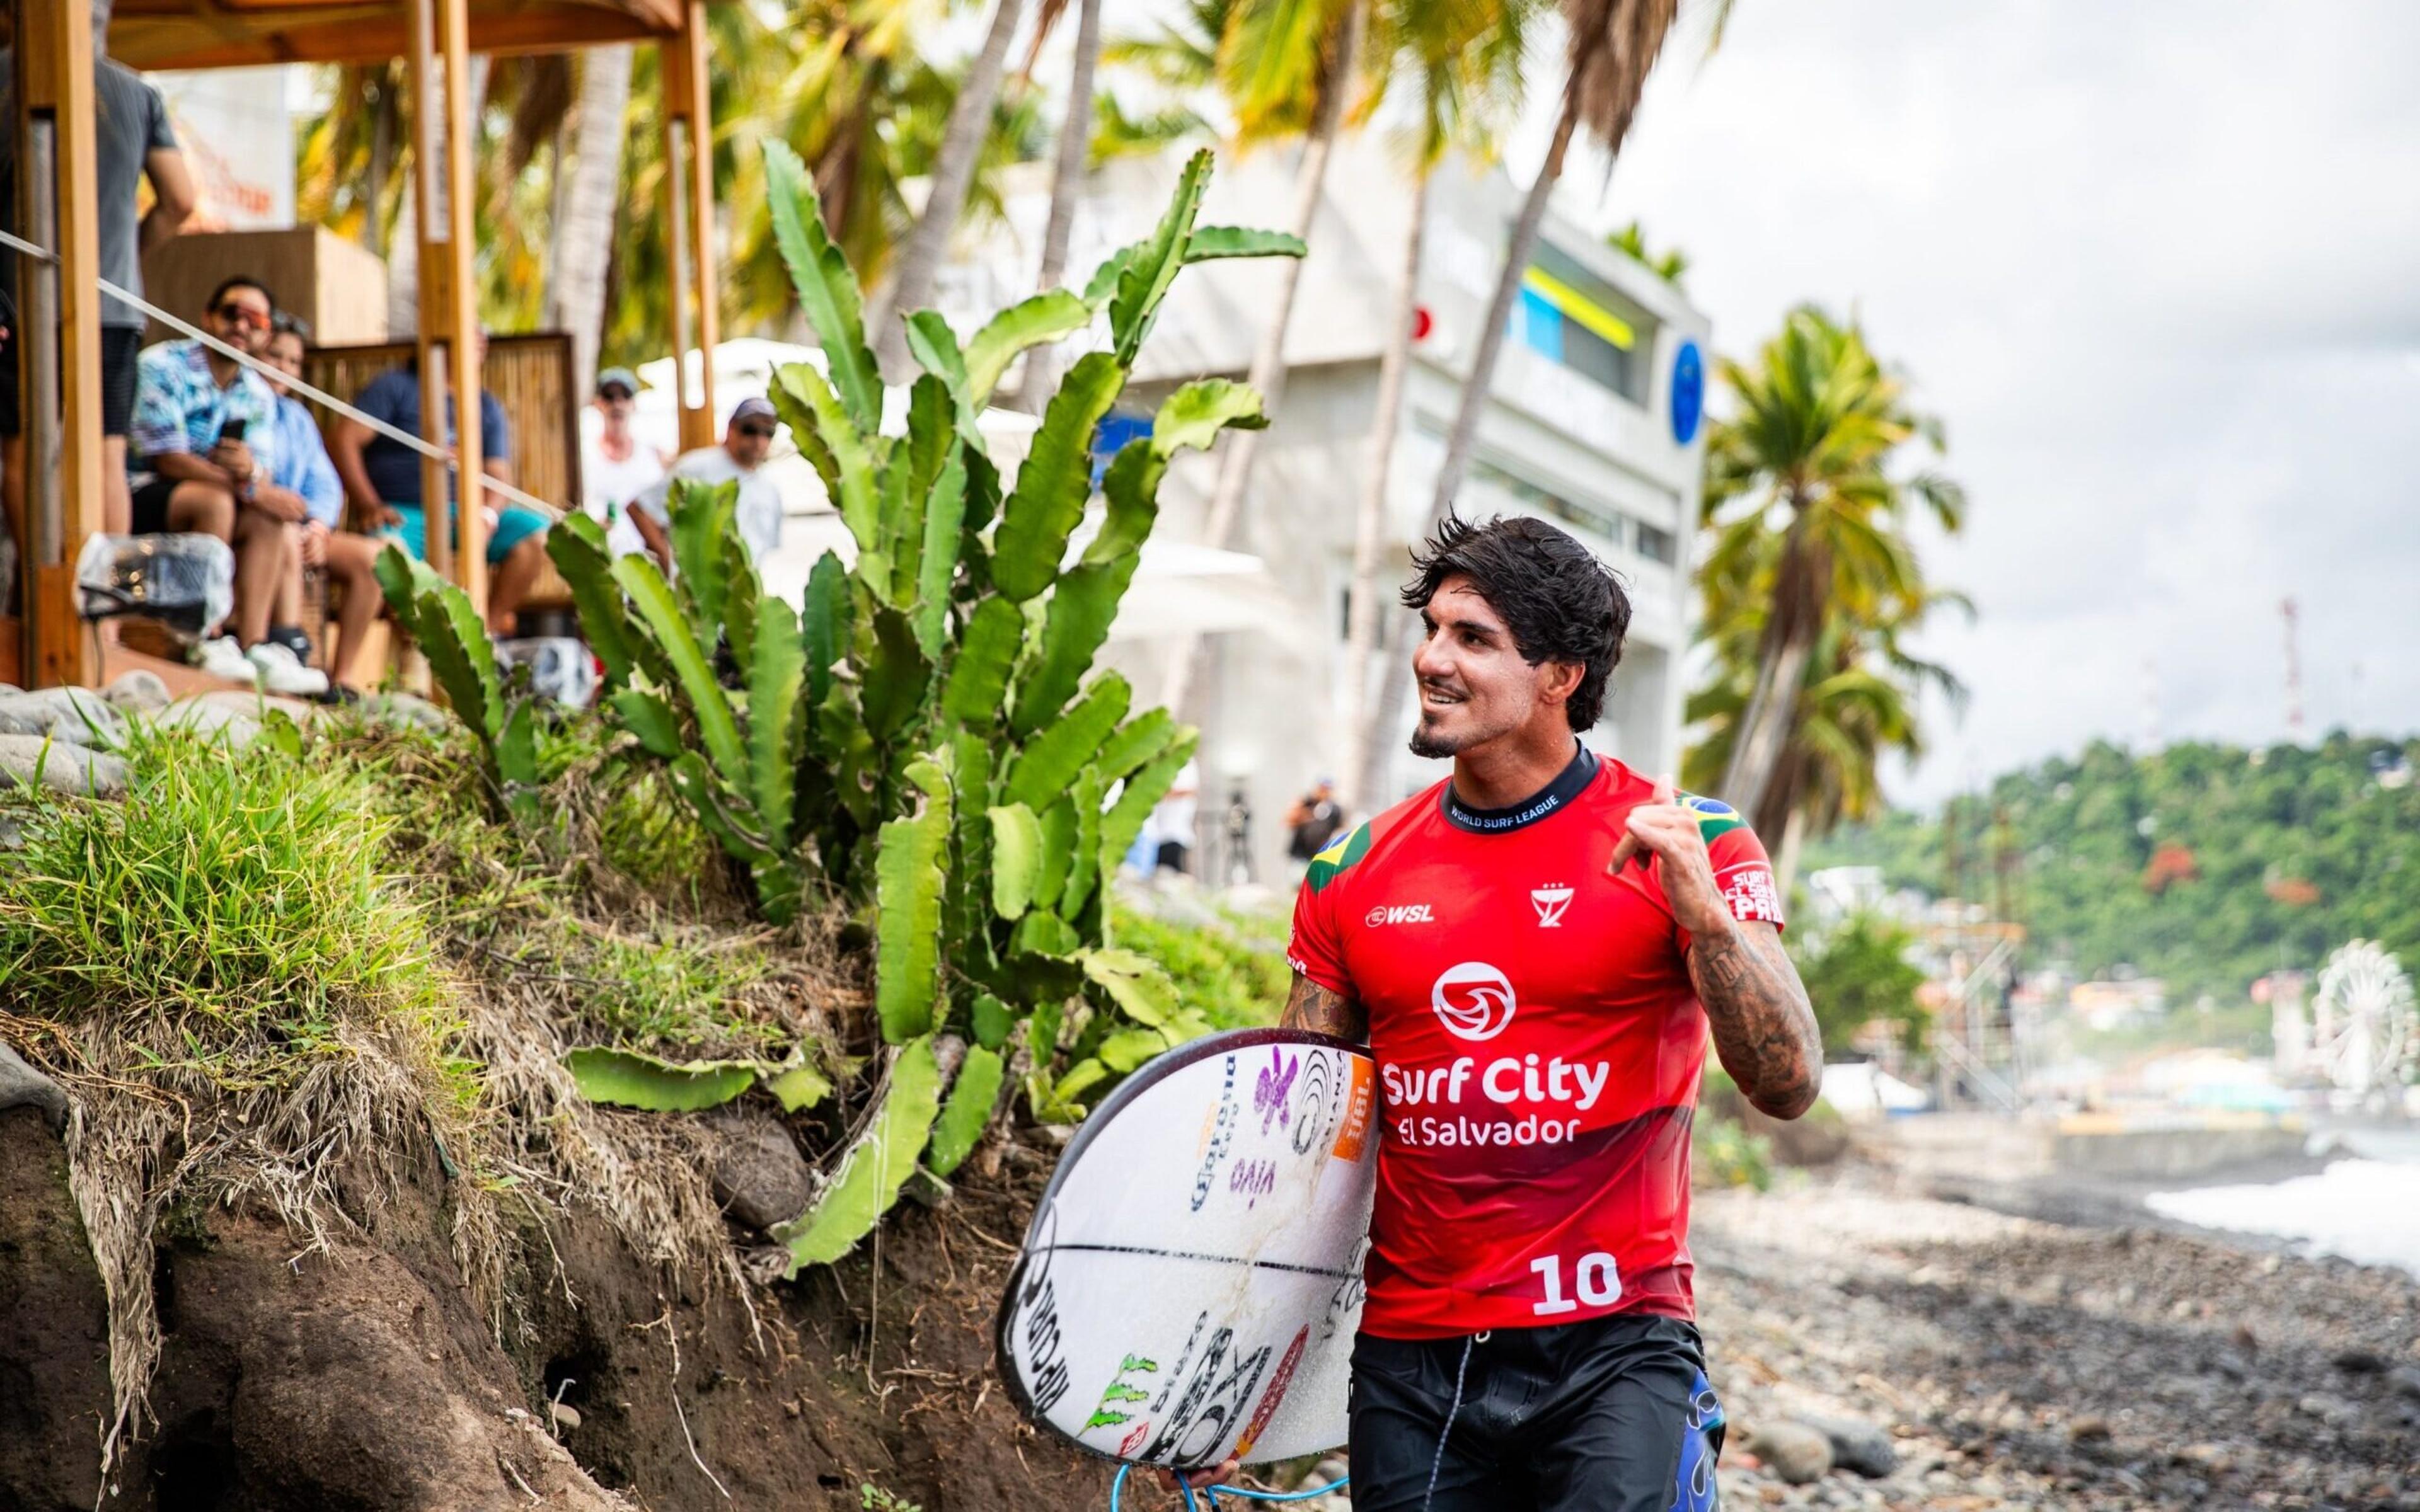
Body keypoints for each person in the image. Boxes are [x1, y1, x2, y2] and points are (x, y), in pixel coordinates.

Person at [1183, 514, 1822, 1511]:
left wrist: (1708, 923)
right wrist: (1233, 1387)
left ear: (1560, 675)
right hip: (1414, 1361)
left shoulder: (1691, 841)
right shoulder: (1353, 873)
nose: (1433, 659)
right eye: (1432, 629)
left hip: (1617, 1344)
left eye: (1473, 638)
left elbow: (1789, 1084)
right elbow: (1300, 1153)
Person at [0, 0, 195, 548]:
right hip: (112, 301)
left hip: (16, 302)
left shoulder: (6, 74)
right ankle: (101, 620)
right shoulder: (138, 93)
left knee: (22, 453)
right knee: (109, 450)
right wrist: (126, 254)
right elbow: (181, 200)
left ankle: (43, 601)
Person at [125, 275, 325, 693]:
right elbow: (166, 457)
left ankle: (253, 646)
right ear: (208, 317)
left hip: (221, 497)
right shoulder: (163, 364)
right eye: (231, 313)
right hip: (143, 491)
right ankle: (208, 636)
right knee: (218, 501)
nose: (242, 325)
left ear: (265, 331)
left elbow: (262, 471)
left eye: (255, 320)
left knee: (267, 515)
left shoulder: (256, 392)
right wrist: (248, 484)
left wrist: (253, 477)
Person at [328, 331, 547, 634]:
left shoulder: (485, 405)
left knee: (536, 535)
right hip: (403, 515)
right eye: (472, 335)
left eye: (482, 337)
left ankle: (487, 633)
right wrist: (369, 504)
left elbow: (497, 476)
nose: (480, 341)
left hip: (463, 515)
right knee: (390, 555)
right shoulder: (396, 386)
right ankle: (418, 635)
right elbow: (344, 439)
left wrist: (486, 516)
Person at [262, 316, 382, 697]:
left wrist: (318, 526)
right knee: (280, 536)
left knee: (374, 559)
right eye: (275, 356)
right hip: (261, 525)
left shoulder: (297, 417)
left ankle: (341, 677)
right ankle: (287, 653)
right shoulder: (244, 403)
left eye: (294, 362)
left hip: (302, 529)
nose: (285, 368)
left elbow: (325, 484)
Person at [628, 396, 781, 571]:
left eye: (768, 432)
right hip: (696, 587)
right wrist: (666, 557)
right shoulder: (697, 467)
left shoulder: (770, 490)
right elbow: (640, 507)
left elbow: (766, 550)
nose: (759, 440)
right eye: (750, 430)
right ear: (731, 428)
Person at [581, 365, 666, 554]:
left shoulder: (653, 455)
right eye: (609, 396)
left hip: (648, 561)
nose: (617, 404)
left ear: (633, 403)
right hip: (598, 556)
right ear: (597, 403)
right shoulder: (584, 456)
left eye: (625, 396)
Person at [1284, 777, 1344, 869]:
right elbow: (1289, 820)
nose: (1324, 792)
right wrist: (1308, 813)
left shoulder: (1335, 810)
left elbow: (1340, 830)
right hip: (1299, 854)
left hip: (1318, 856)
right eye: (1322, 789)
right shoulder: (1307, 802)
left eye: (1327, 789)